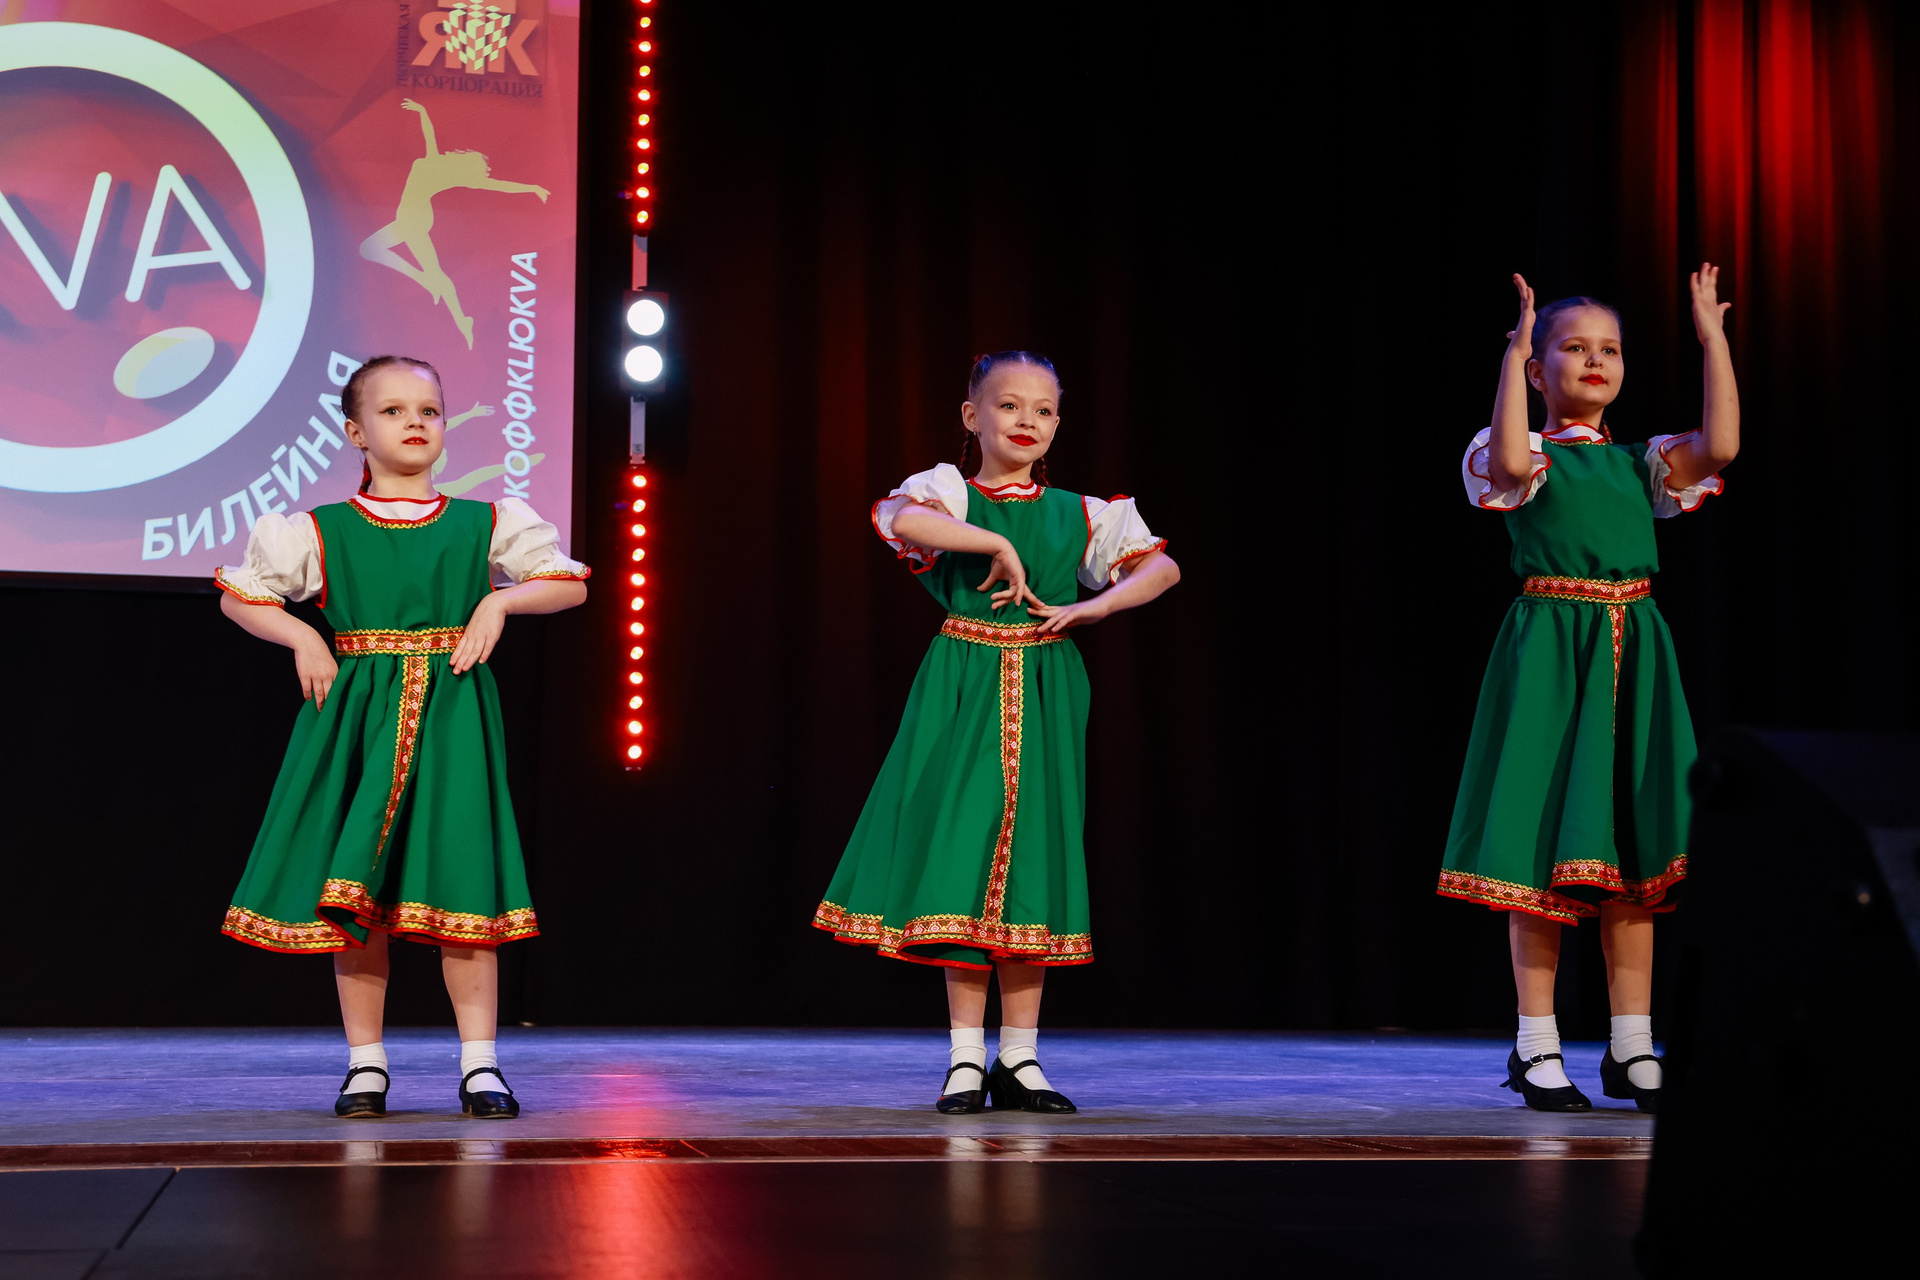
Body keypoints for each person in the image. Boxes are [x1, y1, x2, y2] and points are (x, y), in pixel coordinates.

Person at [214, 355, 588, 1119]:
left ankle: (480, 1064)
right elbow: (241, 596)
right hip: (359, 717)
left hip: (453, 718)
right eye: (392, 411)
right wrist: (302, 636)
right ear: (356, 431)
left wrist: (499, 605)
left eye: (429, 410)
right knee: (359, 897)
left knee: (461, 885)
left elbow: (568, 584)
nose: (415, 422)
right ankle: (366, 1064)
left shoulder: (484, 522)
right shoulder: (321, 529)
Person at [813, 351, 1181, 1114]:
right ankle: (964, 1058)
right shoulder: (949, 494)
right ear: (972, 415)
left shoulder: (1082, 511)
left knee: (1033, 857)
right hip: (965, 680)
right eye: (1009, 405)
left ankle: (1019, 1056)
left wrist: (1094, 606)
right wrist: (994, 543)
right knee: (964, 855)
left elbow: (1161, 569)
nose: (1026, 422)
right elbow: (898, 519)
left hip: (1046, 681)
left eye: (1043, 410)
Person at [1440, 267, 1738, 1113]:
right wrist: (1512, 356)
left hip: (1635, 650)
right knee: (1544, 853)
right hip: (1550, 654)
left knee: (1632, 860)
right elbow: (1507, 460)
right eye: (1574, 348)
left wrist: (1712, 340)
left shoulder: (1642, 464)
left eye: (1610, 349)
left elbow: (1720, 448)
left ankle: (1632, 1046)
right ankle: (1536, 1044)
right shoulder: (1525, 456)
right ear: (1541, 370)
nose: (1596, 360)